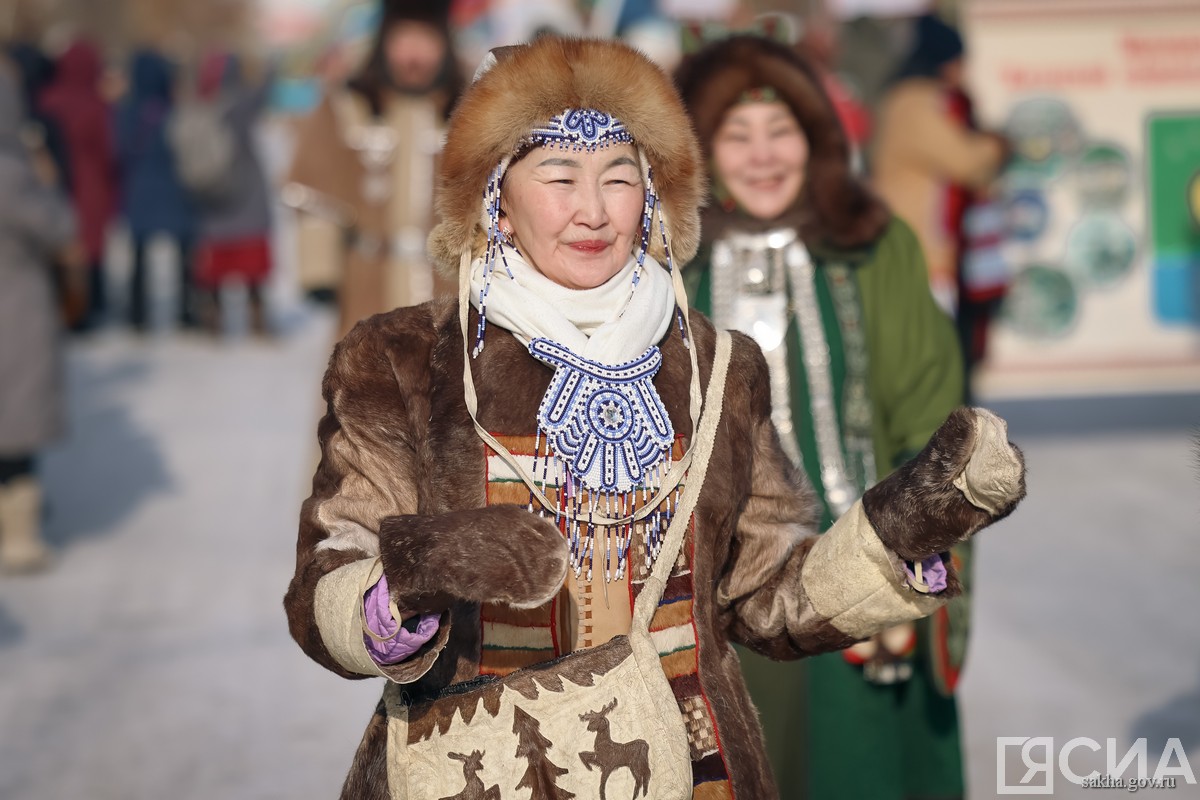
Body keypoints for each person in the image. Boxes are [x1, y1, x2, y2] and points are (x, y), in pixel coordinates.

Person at [283, 36, 1026, 799]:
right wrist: (401, 589)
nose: (594, 211)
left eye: (619, 176)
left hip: (694, 770)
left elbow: (762, 592)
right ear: (496, 198)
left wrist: (900, 532)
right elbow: (328, 573)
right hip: (480, 769)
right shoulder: (404, 362)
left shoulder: (717, 367)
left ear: (653, 197)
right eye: (559, 176)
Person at [676, 34, 971, 800]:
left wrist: (906, 582)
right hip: (705, 612)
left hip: (859, 587)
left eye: (782, 132)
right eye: (736, 136)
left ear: (815, 138)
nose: (764, 155)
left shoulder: (874, 252)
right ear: (701, 151)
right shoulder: (665, 275)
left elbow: (934, 429)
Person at [285, 0, 462, 339]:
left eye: (426, 40)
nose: (414, 54)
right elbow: (318, 190)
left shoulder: (472, 112)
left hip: (449, 291)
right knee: (366, 384)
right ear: (384, 42)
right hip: (368, 284)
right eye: (403, 38)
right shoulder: (349, 106)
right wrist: (319, 271)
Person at [872, 13, 1011, 399]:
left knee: (941, 354)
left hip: (928, 248)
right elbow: (965, 160)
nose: (962, 72)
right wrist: (998, 144)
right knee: (932, 358)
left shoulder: (907, 98)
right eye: (959, 61)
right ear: (943, 60)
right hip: (919, 250)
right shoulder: (916, 102)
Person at [0, 60, 77, 572]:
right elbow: (58, 226)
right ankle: (18, 534)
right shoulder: (12, 172)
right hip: (14, 312)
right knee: (15, 428)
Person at [190, 51, 275, 337]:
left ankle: (213, 319)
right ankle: (257, 320)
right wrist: (271, 63)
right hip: (248, 199)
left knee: (216, 267)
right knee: (252, 268)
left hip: (214, 201)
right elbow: (265, 90)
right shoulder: (243, 101)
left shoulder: (202, 106)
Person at [114, 47, 198, 332]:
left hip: (139, 191)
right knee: (183, 253)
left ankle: (138, 315)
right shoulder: (172, 111)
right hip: (174, 191)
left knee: (139, 255)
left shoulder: (123, 112)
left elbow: (116, 152)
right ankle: (186, 312)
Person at [39, 39, 118, 331]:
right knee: (91, 246)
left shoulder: (47, 98)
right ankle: (91, 307)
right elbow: (108, 149)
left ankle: (62, 305)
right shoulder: (96, 104)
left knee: (60, 245)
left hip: (53, 183)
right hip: (91, 183)